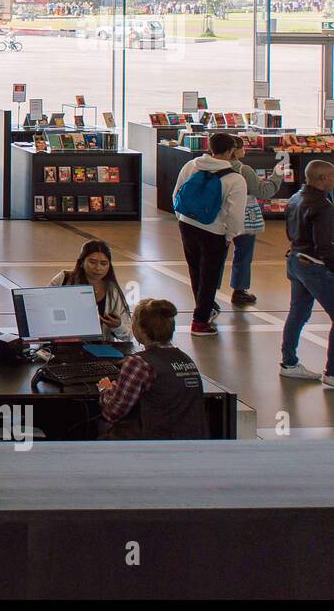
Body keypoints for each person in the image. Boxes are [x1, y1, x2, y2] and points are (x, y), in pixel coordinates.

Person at [96, 299, 208, 439]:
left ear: (141, 329)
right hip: (189, 443)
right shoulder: (186, 360)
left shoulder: (139, 363)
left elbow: (113, 411)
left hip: (152, 446)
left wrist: (105, 390)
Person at [172, 131, 245, 336]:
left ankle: (204, 309)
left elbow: (176, 194)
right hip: (214, 231)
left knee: (195, 271)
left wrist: (181, 218)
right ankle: (200, 321)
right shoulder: (235, 179)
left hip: (187, 225)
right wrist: (230, 236)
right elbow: (236, 215)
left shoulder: (192, 165)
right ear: (231, 151)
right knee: (210, 276)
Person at [279, 158, 334, 384]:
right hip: (314, 267)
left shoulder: (295, 198)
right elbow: (326, 245)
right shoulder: (323, 206)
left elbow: (290, 232)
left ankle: (289, 363)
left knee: (298, 313)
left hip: (295, 260)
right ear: (322, 178)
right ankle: (332, 372)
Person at [222, 135, 283, 306]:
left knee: (216, 255)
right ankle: (239, 290)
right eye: (242, 147)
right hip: (243, 216)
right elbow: (263, 191)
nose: (245, 150)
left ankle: (210, 289)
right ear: (233, 150)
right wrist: (277, 175)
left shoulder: (207, 166)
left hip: (217, 217)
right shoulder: (243, 170)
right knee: (243, 253)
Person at [48, 240, 131, 341]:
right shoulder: (63, 279)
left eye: (103, 263)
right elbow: (44, 312)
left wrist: (118, 326)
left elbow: (128, 336)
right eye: (92, 262)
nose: (98, 268)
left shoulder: (113, 291)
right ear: (82, 262)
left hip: (100, 349)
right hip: (64, 345)